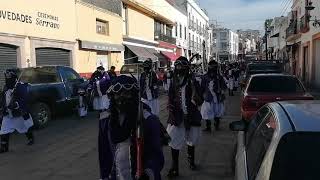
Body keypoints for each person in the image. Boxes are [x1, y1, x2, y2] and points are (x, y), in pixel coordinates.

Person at [98, 75, 164, 180]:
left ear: (133, 95)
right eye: (118, 93)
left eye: (126, 93)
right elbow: (104, 155)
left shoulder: (148, 119)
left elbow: (156, 155)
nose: (121, 97)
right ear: (112, 96)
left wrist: (148, 173)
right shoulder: (105, 120)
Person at [166, 56, 202, 177]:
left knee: (191, 140)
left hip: (191, 115)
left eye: (181, 67)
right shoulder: (174, 81)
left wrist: (196, 94)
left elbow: (199, 99)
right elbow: (170, 96)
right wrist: (171, 107)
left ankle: (191, 161)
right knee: (174, 140)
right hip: (177, 116)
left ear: (186, 68)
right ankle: (174, 167)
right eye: (177, 67)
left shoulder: (193, 80)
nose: (179, 69)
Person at [0, 69, 34, 153]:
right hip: (8, 114)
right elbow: (3, 98)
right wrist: (2, 107)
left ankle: (31, 138)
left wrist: (16, 104)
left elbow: (25, 99)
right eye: (6, 77)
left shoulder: (21, 87)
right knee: (4, 130)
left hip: (18, 114)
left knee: (25, 127)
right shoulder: (5, 87)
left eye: (9, 77)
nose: (7, 79)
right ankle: (4, 147)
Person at [201, 60, 227, 132]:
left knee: (217, 113)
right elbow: (202, 87)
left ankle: (217, 125)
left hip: (217, 98)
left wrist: (222, 92)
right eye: (211, 66)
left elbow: (224, 87)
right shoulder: (205, 76)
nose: (212, 68)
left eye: (214, 67)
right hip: (208, 98)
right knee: (206, 112)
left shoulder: (219, 77)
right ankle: (208, 127)